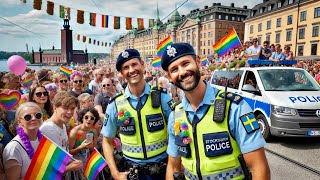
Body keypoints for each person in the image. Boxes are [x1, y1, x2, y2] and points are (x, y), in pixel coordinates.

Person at [160, 43, 270, 180]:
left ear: (198, 61)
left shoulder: (235, 107)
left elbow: (259, 168)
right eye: (174, 69)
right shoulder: (176, 115)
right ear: (170, 77)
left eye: (185, 63)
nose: (182, 72)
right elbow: (173, 166)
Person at [101, 49, 174, 180]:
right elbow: (106, 141)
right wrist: (115, 173)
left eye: (134, 64)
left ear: (142, 64)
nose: (131, 70)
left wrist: (175, 168)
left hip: (162, 170)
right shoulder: (115, 104)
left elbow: (178, 134)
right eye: (126, 67)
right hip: (131, 172)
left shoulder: (162, 97)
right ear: (121, 73)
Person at [40, 92, 83, 178]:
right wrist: (70, 167)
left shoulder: (62, 124)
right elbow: (50, 168)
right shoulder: (49, 129)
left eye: (72, 108)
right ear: (55, 107)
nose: (70, 112)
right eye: (65, 108)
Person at [2, 102, 43, 179]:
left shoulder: (43, 139)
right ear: (19, 121)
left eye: (38, 115)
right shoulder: (13, 148)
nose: (34, 118)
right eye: (28, 117)